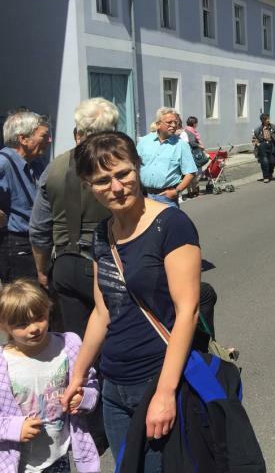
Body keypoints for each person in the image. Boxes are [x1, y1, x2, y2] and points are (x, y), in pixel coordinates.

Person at [64, 131, 201, 472]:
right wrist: (78, 375)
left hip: (157, 379)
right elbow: (102, 311)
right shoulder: (102, 233)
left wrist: (166, 393)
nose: (117, 186)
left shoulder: (171, 225)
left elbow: (188, 311)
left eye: (123, 173)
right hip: (114, 386)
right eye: (102, 180)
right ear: (87, 185)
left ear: (137, 168)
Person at [29, 98, 118, 333]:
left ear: (78, 132)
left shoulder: (54, 167)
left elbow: (39, 229)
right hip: (110, 262)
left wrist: (41, 268)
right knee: (117, 335)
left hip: (66, 264)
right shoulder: (120, 166)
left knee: (77, 341)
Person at [0, 279, 101, 473]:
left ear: (48, 310)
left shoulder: (68, 345)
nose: (34, 328)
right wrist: (14, 428)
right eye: (22, 324)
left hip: (59, 457)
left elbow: (92, 385)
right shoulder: (3, 362)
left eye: (39, 317)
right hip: (18, 464)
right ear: (5, 326)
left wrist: (83, 399)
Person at [0, 111, 51, 283]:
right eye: (44, 136)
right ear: (23, 139)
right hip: (17, 246)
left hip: (38, 243)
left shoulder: (38, 162)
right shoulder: (3, 163)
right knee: (23, 304)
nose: (49, 140)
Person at [136, 108, 196, 208]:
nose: (173, 125)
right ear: (158, 124)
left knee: (167, 224)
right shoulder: (144, 141)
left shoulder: (181, 145)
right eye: (169, 122)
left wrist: (176, 191)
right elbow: (134, 165)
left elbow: (190, 172)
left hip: (166, 198)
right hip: (143, 195)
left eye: (175, 122)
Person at [252, 113, 275, 183]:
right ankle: (266, 177)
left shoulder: (273, 128)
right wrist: (258, 144)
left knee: (272, 161)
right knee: (264, 161)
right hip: (262, 146)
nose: (268, 120)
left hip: (272, 145)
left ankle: (270, 173)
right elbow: (254, 139)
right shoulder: (258, 130)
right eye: (267, 119)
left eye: (268, 119)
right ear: (263, 120)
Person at [181, 116, 205, 199]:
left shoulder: (186, 130)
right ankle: (193, 191)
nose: (197, 124)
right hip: (194, 155)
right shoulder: (190, 132)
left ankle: (192, 191)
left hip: (189, 155)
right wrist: (200, 146)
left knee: (191, 173)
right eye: (196, 123)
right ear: (194, 123)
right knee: (197, 173)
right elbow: (191, 142)